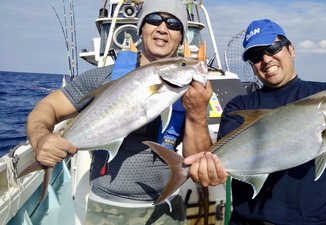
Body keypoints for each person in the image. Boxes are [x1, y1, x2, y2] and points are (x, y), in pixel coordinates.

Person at [184, 19, 326, 224]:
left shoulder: (325, 95)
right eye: (256, 55)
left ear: (291, 49)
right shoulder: (239, 106)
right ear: (252, 66)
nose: (266, 58)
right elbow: (214, 165)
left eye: (273, 48)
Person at [25, 0, 212, 224]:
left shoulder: (192, 94)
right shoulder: (100, 77)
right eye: (154, 20)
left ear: (181, 37)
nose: (163, 28)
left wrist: (198, 112)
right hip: (105, 209)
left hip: (166, 211)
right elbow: (47, 107)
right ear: (141, 29)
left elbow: (199, 162)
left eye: (173, 24)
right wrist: (40, 137)